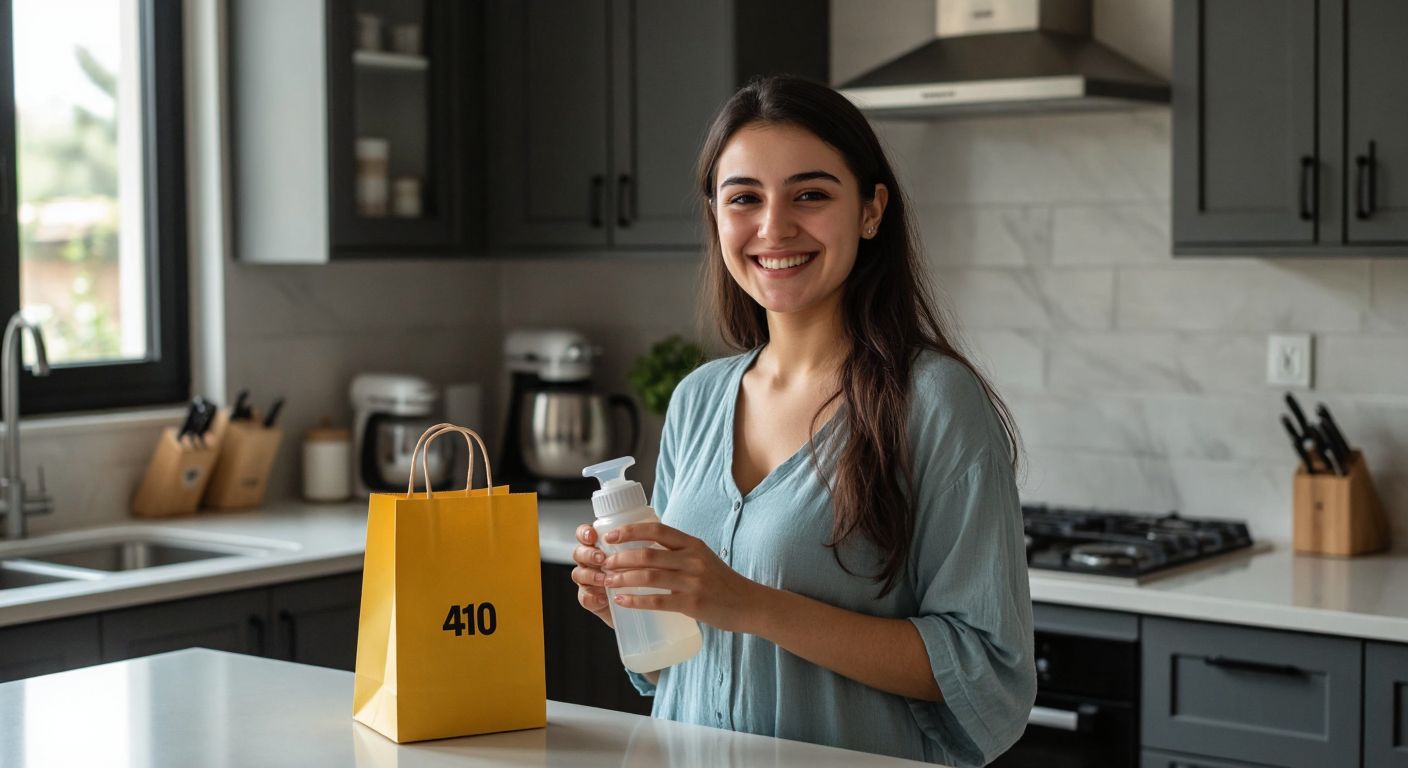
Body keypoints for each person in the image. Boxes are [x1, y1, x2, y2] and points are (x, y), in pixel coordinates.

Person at [570, 75, 1035, 767]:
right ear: (716, 218)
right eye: (744, 199)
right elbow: (677, 672)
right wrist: (638, 611)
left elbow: (986, 673)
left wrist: (746, 603)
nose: (774, 227)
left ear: (871, 211)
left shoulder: (935, 401)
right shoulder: (698, 399)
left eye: (811, 195)